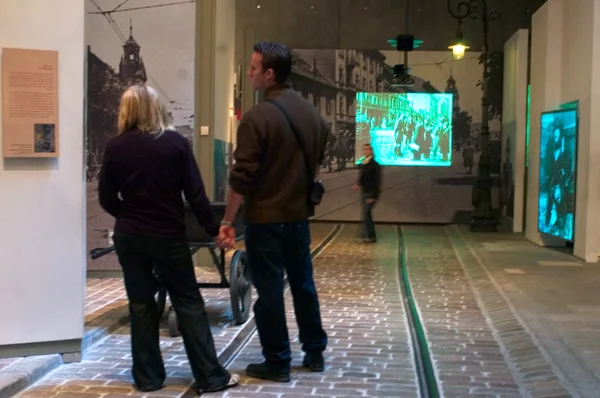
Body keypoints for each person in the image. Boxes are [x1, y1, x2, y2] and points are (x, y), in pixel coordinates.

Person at [97, 84, 239, 394]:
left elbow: (106, 197)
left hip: (130, 237)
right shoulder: (175, 143)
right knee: (188, 301)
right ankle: (210, 376)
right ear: (157, 108)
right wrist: (212, 228)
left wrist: (129, 216)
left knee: (141, 305)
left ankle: (148, 378)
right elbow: (195, 193)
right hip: (167, 236)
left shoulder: (115, 146)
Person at [219, 41, 329, 382]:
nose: (248, 72)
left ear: (269, 74)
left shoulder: (256, 119)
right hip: (298, 218)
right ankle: (313, 351)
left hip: (266, 220)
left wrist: (227, 221)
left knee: (268, 292)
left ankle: (278, 360)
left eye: (253, 68)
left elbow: (242, 178)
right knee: (303, 284)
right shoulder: (315, 118)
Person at [354, 143, 382, 243]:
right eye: (364, 149)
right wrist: (358, 183)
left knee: (366, 214)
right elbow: (363, 176)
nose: (365, 151)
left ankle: (370, 236)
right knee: (366, 214)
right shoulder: (364, 163)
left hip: (371, 193)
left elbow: (377, 182)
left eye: (367, 149)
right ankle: (369, 236)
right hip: (365, 192)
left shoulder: (375, 165)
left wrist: (373, 196)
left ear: (371, 151)